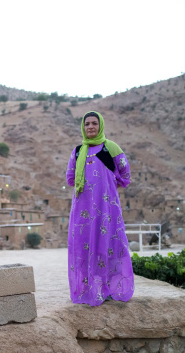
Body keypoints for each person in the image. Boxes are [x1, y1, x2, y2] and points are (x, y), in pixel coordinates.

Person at [66, 111, 134, 306]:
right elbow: (70, 178)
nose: (90, 127)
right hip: (83, 208)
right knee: (84, 244)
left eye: (94, 123)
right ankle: (88, 289)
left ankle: (112, 288)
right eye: (87, 124)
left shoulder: (111, 148)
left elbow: (125, 174)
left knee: (110, 242)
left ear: (100, 125)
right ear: (83, 127)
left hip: (107, 208)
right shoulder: (78, 151)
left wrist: (108, 188)